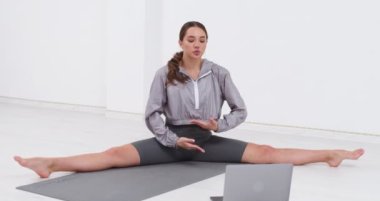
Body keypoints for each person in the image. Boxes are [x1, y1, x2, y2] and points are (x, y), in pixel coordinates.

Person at [14, 21, 364, 178]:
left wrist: (218, 124)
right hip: (172, 142)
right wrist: (170, 138)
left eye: (203, 39)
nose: (198, 44)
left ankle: (330, 154)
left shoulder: (219, 72)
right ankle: (50, 163)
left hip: (205, 141)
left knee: (268, 154)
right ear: (182, 42)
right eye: (192, 39)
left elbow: (241, 110)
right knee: (113, 156)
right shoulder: (163, 74)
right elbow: (152, 115)